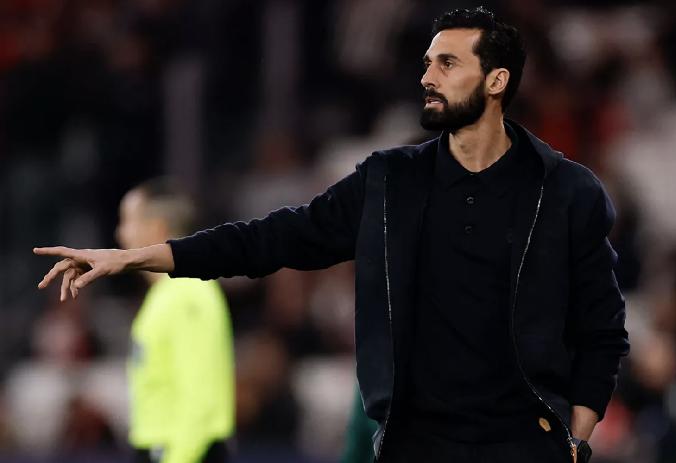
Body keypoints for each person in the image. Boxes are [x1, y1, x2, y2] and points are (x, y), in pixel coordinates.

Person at [35, 7, 629, 463]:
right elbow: (268, 241)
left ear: (497, 80)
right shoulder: (389, 182)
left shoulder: (566, 191)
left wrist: (574, 438)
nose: (427, 76)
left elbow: (601, 329)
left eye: (447, 64)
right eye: (427, 62)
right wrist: (139, 257)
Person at [115, 180, 235, 463]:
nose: (120, 234)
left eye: (127, 221)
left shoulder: (188, 292)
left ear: (156, 228)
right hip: (163, 448)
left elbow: (200, 398)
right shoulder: (166, 293)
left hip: (181, 452)